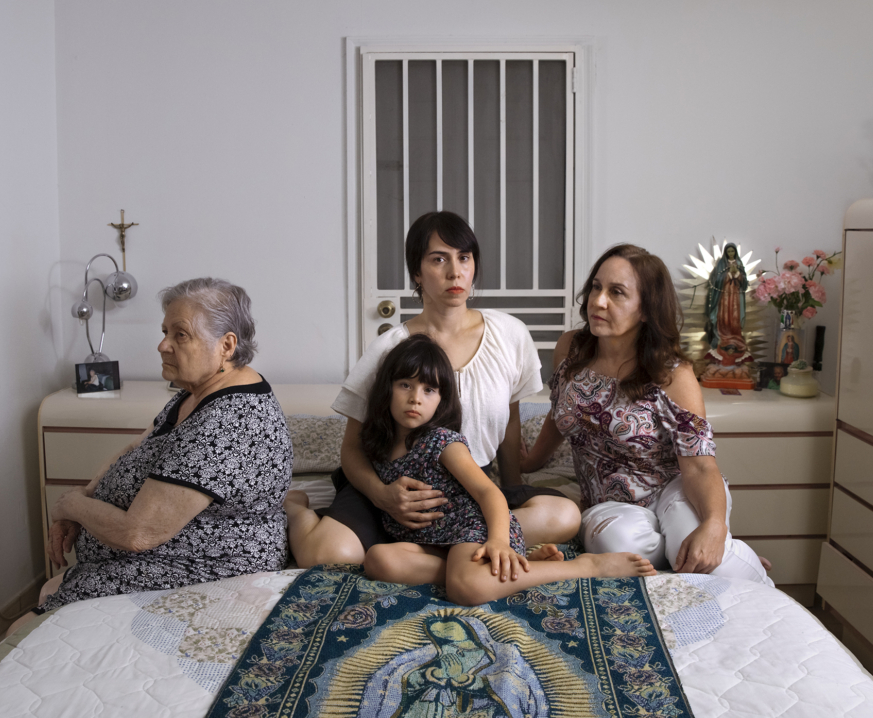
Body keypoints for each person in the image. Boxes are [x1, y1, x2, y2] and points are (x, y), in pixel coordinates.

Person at [285, 212, 582, 566]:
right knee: (327, 554)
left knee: (566, 516)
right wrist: (383, 496)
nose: (455, 272)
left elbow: (510, 421)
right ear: (417, 272)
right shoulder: (391, 348)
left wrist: (508, 491)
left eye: (464, 258)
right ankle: (297, 508)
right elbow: (351, 447)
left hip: (466, 488)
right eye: (439, 259)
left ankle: (431, 557)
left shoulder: (510, 334)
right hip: (393, 485)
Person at [10, 278, 292, 633]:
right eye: (164, 332)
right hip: (158, 555)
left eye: (180, 335)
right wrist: (87, 496)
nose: (162, 345)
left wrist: (70, 506)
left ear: (226, 345)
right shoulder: (197, 392)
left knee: (19, 631)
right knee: (45, 598)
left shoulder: (228, 422)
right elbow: (137, 447)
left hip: (200, 565)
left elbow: (137, 534)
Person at [522, 244, 773, 586]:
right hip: (608, 503)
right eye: (596, 287)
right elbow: (561, 410)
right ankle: (689, 546)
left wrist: (715, 526)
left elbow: (700, 465)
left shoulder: (673, 374)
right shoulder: (570, 349)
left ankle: (736, 560)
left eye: (617, 292)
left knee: (699, 555)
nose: (598, 301)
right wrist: (532, 460)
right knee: (616, 545)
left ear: (646, 309)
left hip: (673, 489)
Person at [361, 335, 655, 606]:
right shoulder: (378, 446)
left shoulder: (441, 441)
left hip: (471, 528)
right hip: (431, 542)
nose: (415, 398)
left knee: (465, 589)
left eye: (429, 390)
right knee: (378, 560)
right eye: (405, 385)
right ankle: (505, 569)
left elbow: (488, 492)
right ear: (387, 387)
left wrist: (499, 541)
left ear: (441, 400)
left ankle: (584, 567)